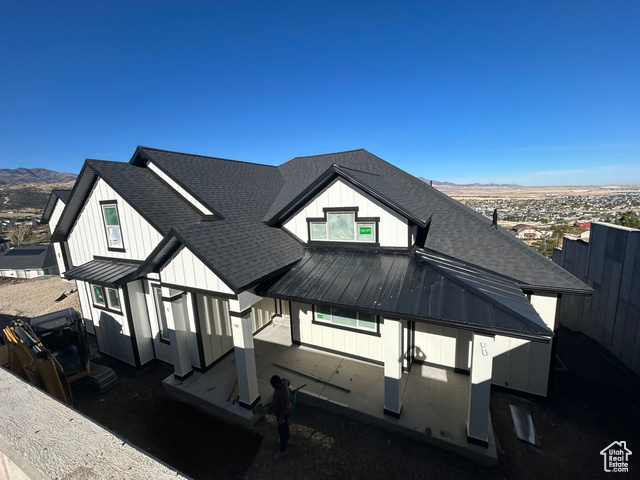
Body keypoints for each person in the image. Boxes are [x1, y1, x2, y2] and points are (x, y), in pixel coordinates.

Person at [270, 374, 291, 460]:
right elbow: (288, 380)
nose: (272, 387)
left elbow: (284, 408)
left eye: (272, 386)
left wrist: (281, 419)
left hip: (283, 414)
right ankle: (287, 439)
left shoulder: (282, 393)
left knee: (281, 431)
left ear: (276, 384)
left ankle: (283, 451)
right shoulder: (283, 382)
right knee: (286, 427)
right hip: (284, 412)